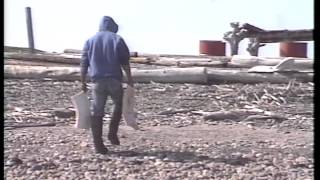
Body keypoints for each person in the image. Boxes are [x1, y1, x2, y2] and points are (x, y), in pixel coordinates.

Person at [80, 16, 134, 154]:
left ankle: (98, 145)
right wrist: (129, 79)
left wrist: (82, 81)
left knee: (97, 111)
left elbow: (84, 63)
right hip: (114, 80)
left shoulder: (90, 41)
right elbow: (125, 62)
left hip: (97, 82)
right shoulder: (117, 39)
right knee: (119, 104)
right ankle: (112, 132)